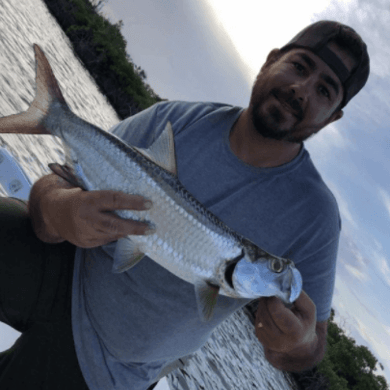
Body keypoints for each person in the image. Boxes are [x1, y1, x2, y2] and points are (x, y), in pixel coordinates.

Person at [0, 20, 369, 390]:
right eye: (299, 66)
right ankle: (50, 115)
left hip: (108, 364)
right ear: (271, 60)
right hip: (63, 266)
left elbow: (310, 346)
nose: (301, 90)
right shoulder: (178, 118)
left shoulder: (316, 217)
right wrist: (59, 209)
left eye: (324, 90)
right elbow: (55, 186)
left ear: (333, 116)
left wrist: (296, 342)